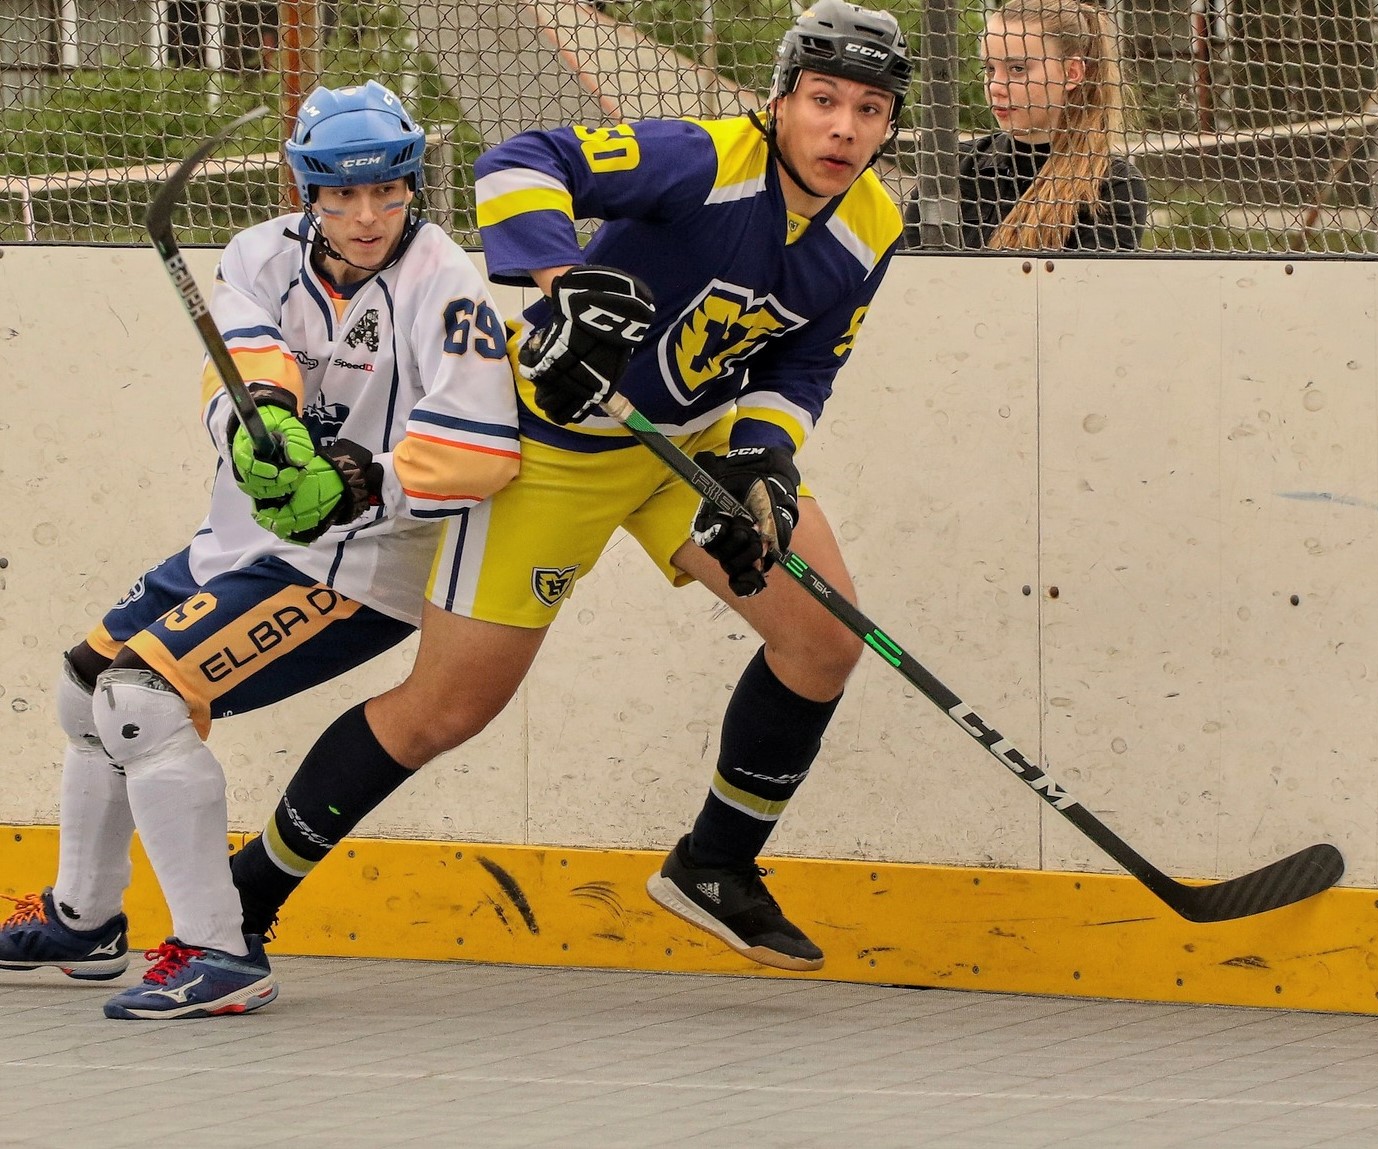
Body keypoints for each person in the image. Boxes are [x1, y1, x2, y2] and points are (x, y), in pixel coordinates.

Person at [225, 0, 911, 973]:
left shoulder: (875, 224)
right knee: (445, 712)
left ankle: (715, 864)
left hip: (686, 447)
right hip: (548, 445)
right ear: (781, 100)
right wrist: (558, 280)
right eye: (824, 98)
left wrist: (764, 460)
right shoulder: (703, 160)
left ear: (890, 124)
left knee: (824, 637)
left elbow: (805, 366)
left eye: (870, 109)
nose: (844, 127)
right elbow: (517, 160)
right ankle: (244, 901)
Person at [0, 81, 521, 1018]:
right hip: (239, 544)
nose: (368, 217)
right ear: (304, 190)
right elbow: (241, 359)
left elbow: (486, 450)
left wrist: (368, 479)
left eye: (390, 192)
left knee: (143, 700)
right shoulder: (259, 255)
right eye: (341, 196)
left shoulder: (446, 282)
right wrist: (254, 427)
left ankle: (221, 951)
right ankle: (85, 919)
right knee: (87, 682)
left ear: (414, 184)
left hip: (362, 562)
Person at [903, 0, 1148, 251]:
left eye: (1017, 69)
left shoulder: (1112, 184)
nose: (996, 87)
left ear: (1072, 72)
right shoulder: (952, 167)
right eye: (989, 69)